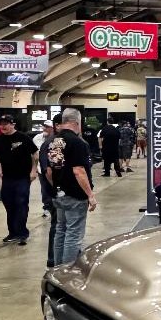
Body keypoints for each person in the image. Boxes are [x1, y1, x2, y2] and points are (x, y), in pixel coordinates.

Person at [47, 107, 97, 266]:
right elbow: (79, 171)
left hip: (59, 194)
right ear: (77, 122)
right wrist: (90, 195)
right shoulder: (77, 142)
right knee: (74, 234)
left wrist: (57, 186)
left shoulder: (54, 141)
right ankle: (67, 269)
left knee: (60, 231)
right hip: (75, 195)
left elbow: (49, 171)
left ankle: (57, 267)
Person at [0, 114, 37, 245]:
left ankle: (22, 233)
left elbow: (35, 154)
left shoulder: (23, 138)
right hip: (7, 178)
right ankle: (13, 232)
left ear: (13, 124)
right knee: (9, 204)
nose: (3, 126)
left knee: (21, 203)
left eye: (6, 123)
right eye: (1, 124)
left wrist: (33, 170)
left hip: (22, 177)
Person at [39, 113, 62, 267]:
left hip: (55, 191)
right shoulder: (54, 143)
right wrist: (58, 189)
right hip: (58, 193)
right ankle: (55, 258)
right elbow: (49, 171)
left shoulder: (49, 142)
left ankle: (55, 258)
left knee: (60, 225)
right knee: (59, 225)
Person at [33, 119, 55, 217]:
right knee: (44, 188)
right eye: (44, 126)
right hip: (41, 168)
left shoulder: (57, 138)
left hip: (54, 168)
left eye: (47, 127)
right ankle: (47, 207)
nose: (45, 128)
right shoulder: (37, 138)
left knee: (55, 187)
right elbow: (34, 154)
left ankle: (56, 206)